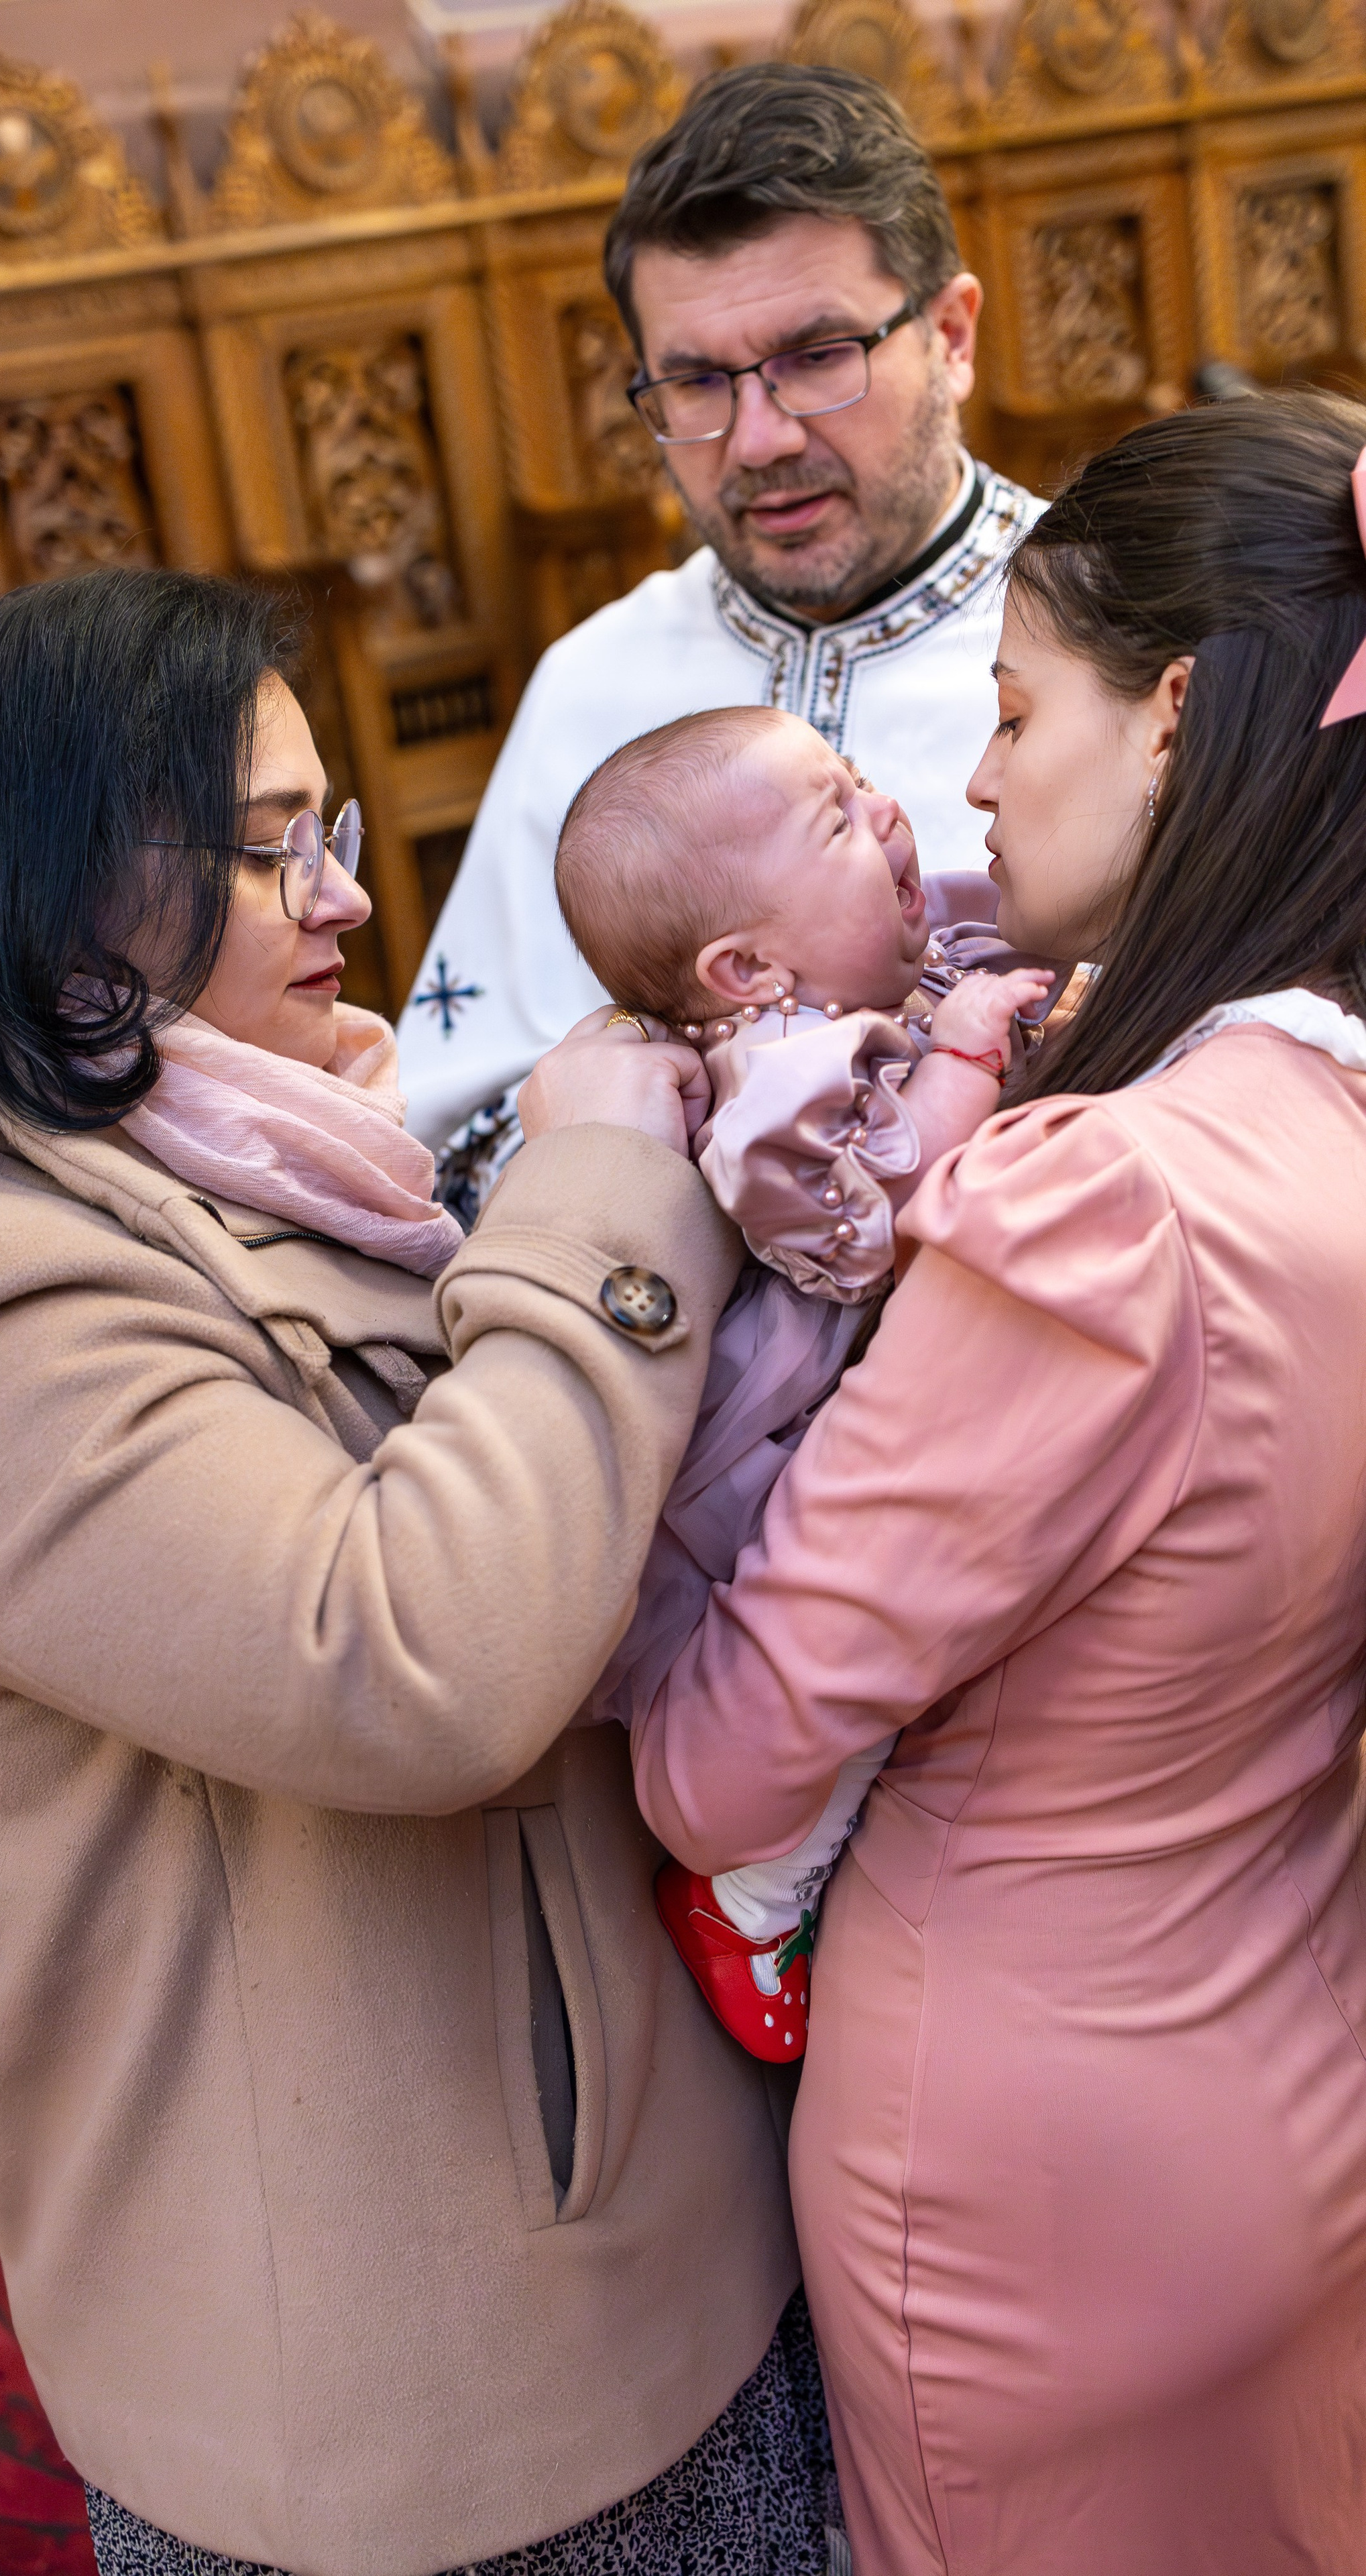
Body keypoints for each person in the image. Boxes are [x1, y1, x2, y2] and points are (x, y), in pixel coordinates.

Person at [0, 568, 842, 2576]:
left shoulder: (226, 1149)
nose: (349, 896)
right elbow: (408, 1659)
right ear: (53, 886)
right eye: (272, 850)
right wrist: (607, 1193)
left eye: (330, 830)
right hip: (424, 2386)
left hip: (602, 2233)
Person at [631, 388, 1366, 2573]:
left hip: (1032, 2148)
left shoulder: (1107, 1208)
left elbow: (729, 1760)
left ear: (1175, 722)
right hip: (1297, 2054)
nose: (967, 777)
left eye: (1015, 708)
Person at [397, 61, 1039, 1179]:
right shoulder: (595, 678)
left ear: (953, 335)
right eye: (695, 383)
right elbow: (454, 1133)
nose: (758, 442)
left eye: (817, 357)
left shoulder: (1120, 628)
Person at [556, 706, 1049, 2062]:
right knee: (843, 1716)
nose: (890, 814)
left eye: (863, 786)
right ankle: (751, 1901)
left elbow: (981, 931)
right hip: (749, 1503)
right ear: (744, 968)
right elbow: (852, 1234)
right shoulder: (774, 1078)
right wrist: (960, 1059)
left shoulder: (862, 992)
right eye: (838, 819)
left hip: (823, 1461)